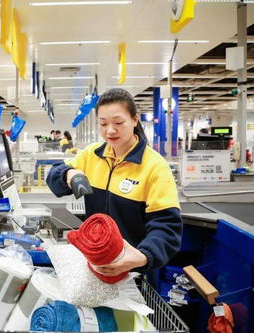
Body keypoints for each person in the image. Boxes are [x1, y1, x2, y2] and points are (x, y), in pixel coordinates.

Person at [47, 88, 182, 275]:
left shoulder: (155, 167)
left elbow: (167, 227)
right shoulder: (91, 155)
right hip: (95, 264)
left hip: (133, 272)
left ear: (134, 120)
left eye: (118, 122)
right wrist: (68, 174)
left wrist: (143, 256)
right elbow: (53, 175)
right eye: (103, 124)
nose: (110, 130)